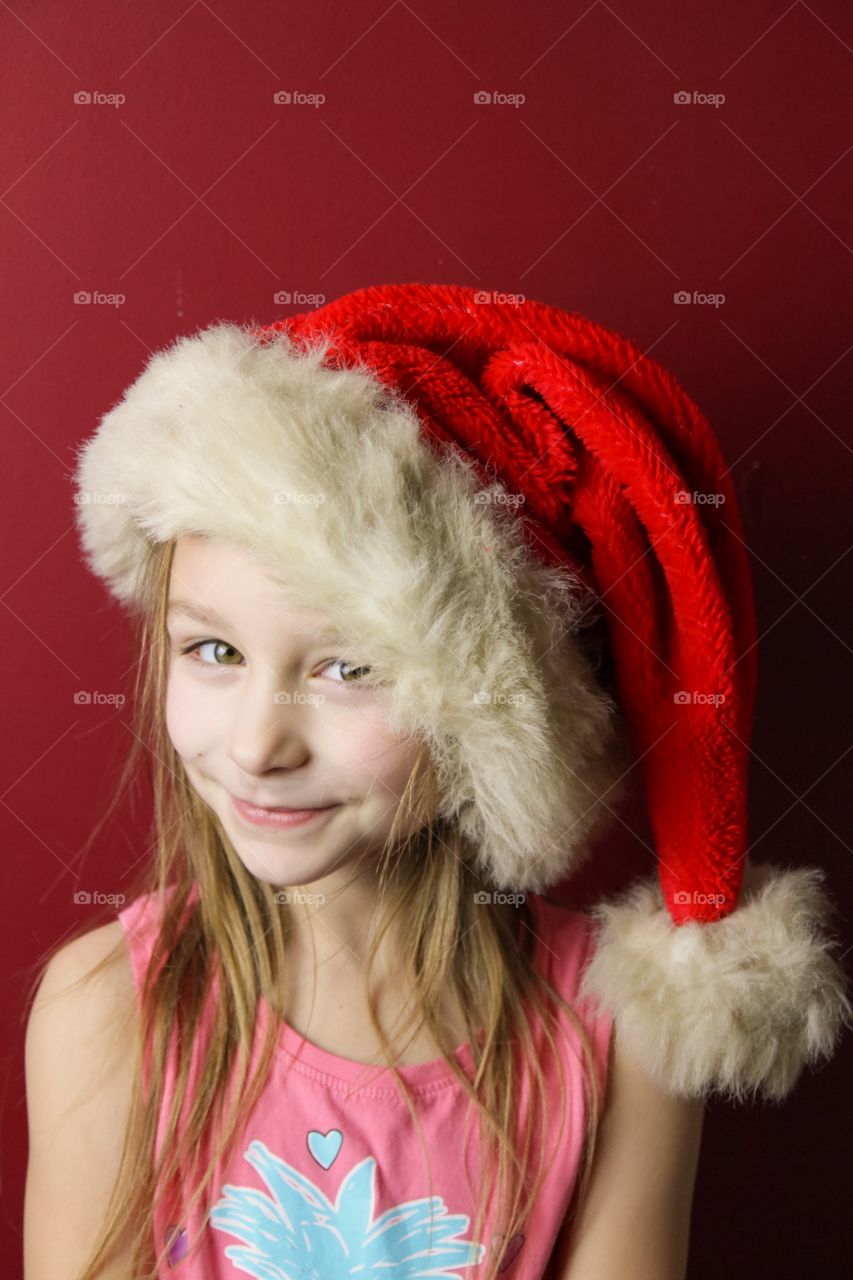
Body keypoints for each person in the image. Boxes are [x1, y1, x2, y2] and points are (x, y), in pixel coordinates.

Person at [23, 284, 850, 1280]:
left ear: (488, 713)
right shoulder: (109, 1013)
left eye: (348, 667)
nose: (255, 744)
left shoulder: (621, 1036)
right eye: (212, 648)